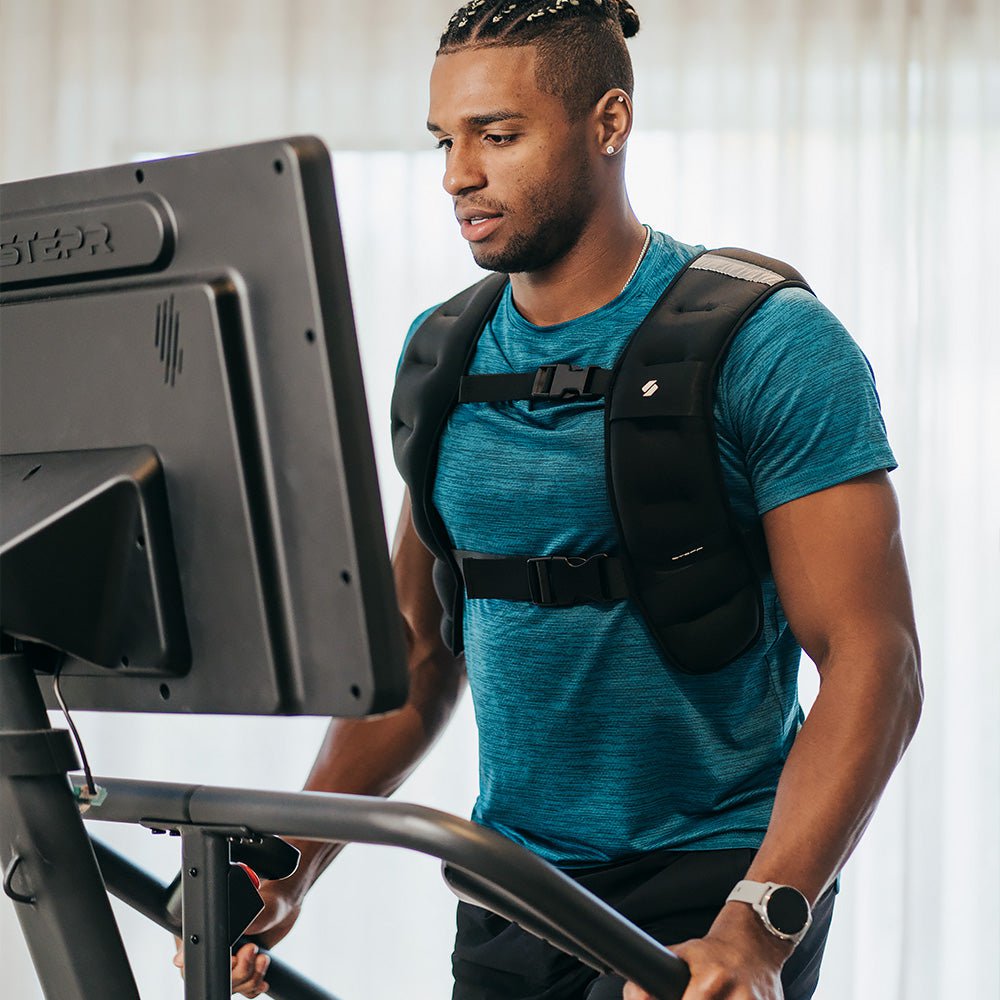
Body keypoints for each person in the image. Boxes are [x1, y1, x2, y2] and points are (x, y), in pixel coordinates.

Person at [174, 2, 922, 997]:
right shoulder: (443, 352)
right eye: (445, 139)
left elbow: (877, 660)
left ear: (607, 123)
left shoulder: (772, 343)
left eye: (498, 134)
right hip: (509, 889)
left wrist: (761, 926)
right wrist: (291, 860)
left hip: (710, 899)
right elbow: (414, 647)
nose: (457, 175)